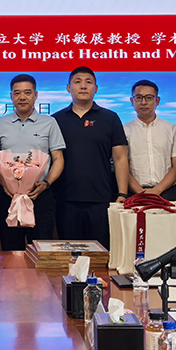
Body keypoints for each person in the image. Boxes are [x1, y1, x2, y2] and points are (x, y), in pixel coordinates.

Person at [52, 66, 129, 249]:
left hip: (101, 199)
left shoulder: (110, 118)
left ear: (96, 88)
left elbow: (120, 158)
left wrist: (122, 193)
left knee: (100, 254)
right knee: (70, 254)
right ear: (69, 88)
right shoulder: (55, 120)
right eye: (77, 82)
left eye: (88, 82)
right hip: (65, 200)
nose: (83, 86)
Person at [0, 74, 65, 250]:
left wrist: (46, 183)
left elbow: (58, 159)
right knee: (11, 250)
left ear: (36, 95)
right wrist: (5, 183)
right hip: (10, 196)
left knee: (41, 251)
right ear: (11, 96)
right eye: (17, 93)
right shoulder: (0, 123)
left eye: (27, 92)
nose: (22, 97)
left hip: (40, 196)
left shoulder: (49, 122)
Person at [123, 79, 176, 201]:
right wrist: (140, 192)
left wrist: (157, 190)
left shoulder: (172, 129)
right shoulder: (124, 130)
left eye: (149, 98)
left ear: (157, 101)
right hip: (135, 193)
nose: (143, 102)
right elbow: (122, 167)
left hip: (167, 192)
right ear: (132, 101)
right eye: (139, 98)